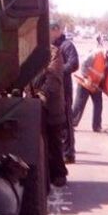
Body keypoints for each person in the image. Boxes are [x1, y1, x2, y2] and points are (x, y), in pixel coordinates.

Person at [32, 44, 68, 187]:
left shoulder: (54, 53)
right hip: (35, 103)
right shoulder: (27, 50)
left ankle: (59, 173)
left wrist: (42, 94)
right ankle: (47, 176)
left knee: (54, 143)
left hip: (52, 107)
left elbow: (54, 79)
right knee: (42, 144)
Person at [71, 46, 108, 133]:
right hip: (84, 84)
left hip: (95, 86)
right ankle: (71, 125)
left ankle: (97, 126)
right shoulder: (96, 54)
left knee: (98, 105)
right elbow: (83, 65)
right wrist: (86, 77)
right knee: (79, 105)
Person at [50, 21, 79, 164]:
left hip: (64, 87)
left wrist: (58, 72)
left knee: (67, 120)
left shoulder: (67, 45)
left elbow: (74, 64)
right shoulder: (52, 45)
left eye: (51, 31)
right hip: (54, 88)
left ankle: (69, 153)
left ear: (57, 30)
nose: (49, 34)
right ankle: (61, 151)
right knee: (58, 121)